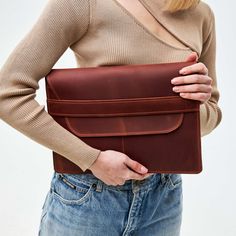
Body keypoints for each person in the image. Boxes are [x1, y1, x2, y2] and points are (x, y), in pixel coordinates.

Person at [0, 0, 222, 235]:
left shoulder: (200, 14)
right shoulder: (81, 4)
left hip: (163, 197)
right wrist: (91, 159)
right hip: (88, 195)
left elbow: (212, 115)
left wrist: (193, 102)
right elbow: (8, 95)